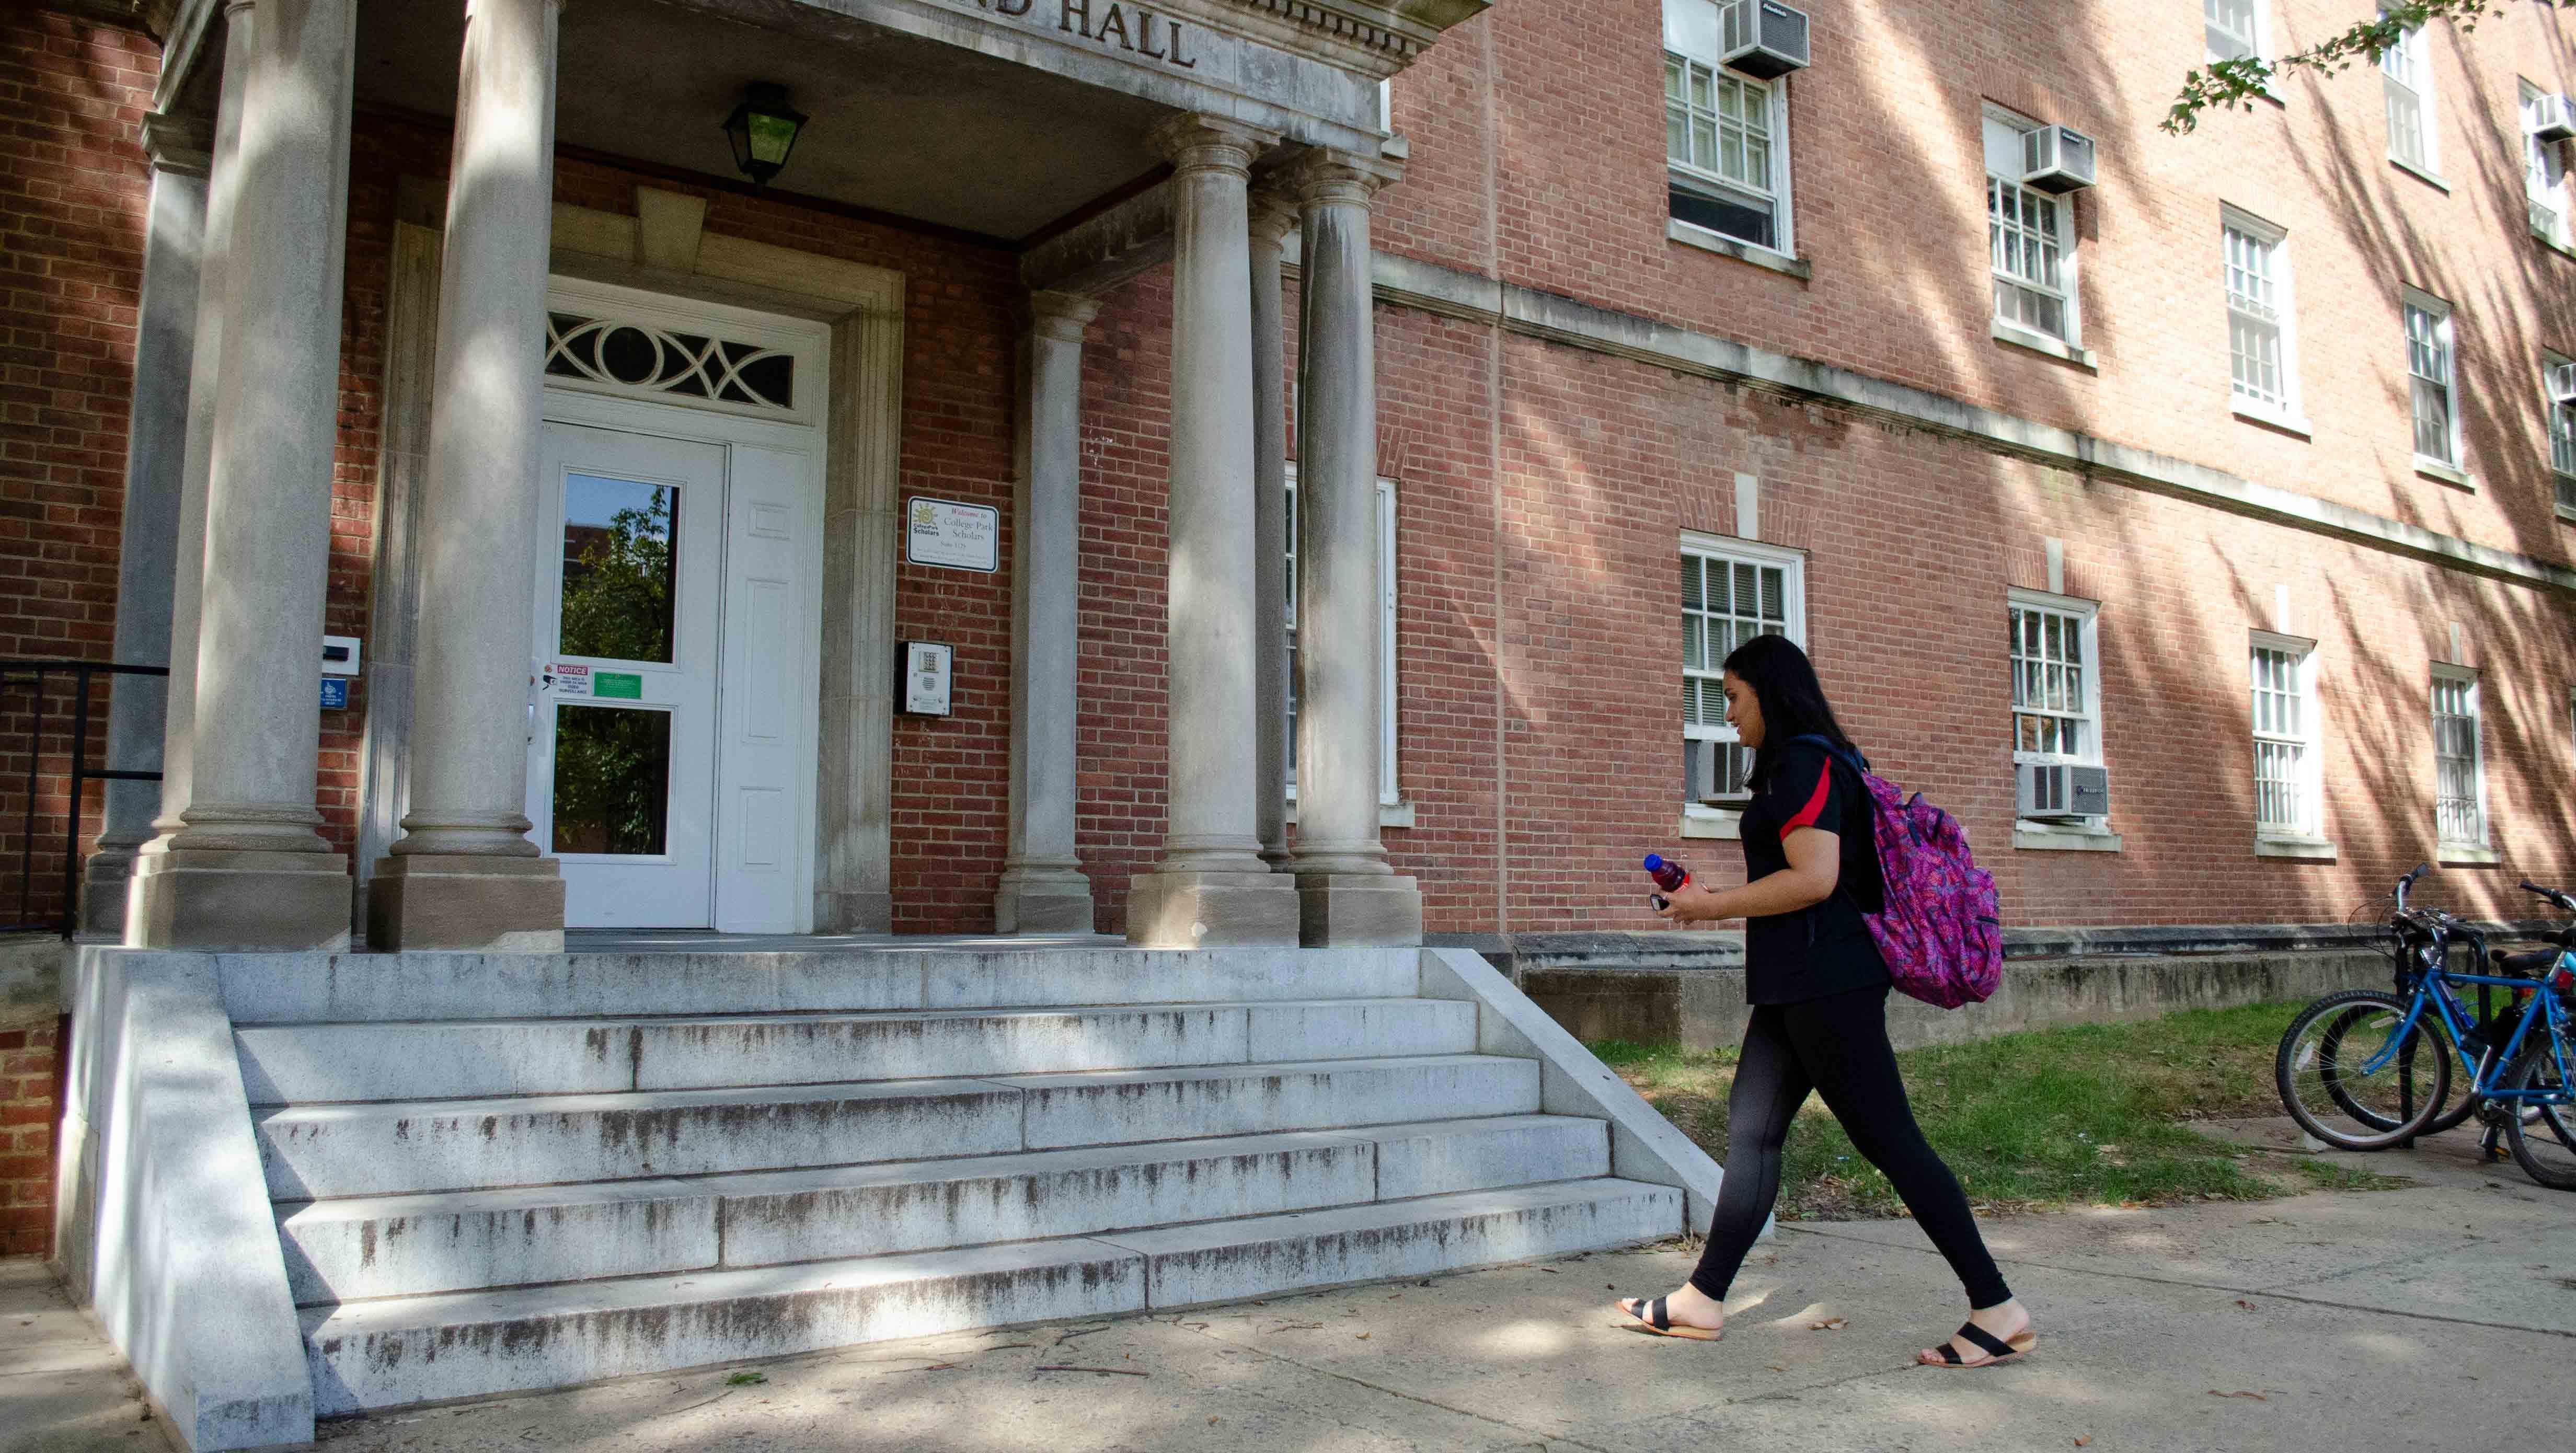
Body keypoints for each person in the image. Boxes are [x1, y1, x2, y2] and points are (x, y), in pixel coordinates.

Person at [1612, 634, 2035, 1369]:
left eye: (1735, 697)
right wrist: (1707, 899)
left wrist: (1706, 907)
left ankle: (1997, 1308)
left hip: (1827, 983)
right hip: (1796, 984)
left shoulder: (1807, 760)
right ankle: (1702, 1300)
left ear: (1770, 694)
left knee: (1892, 1143)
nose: (1728, 713)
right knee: (1752, 1133)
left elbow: (1814, 878)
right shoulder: (1800, 764)